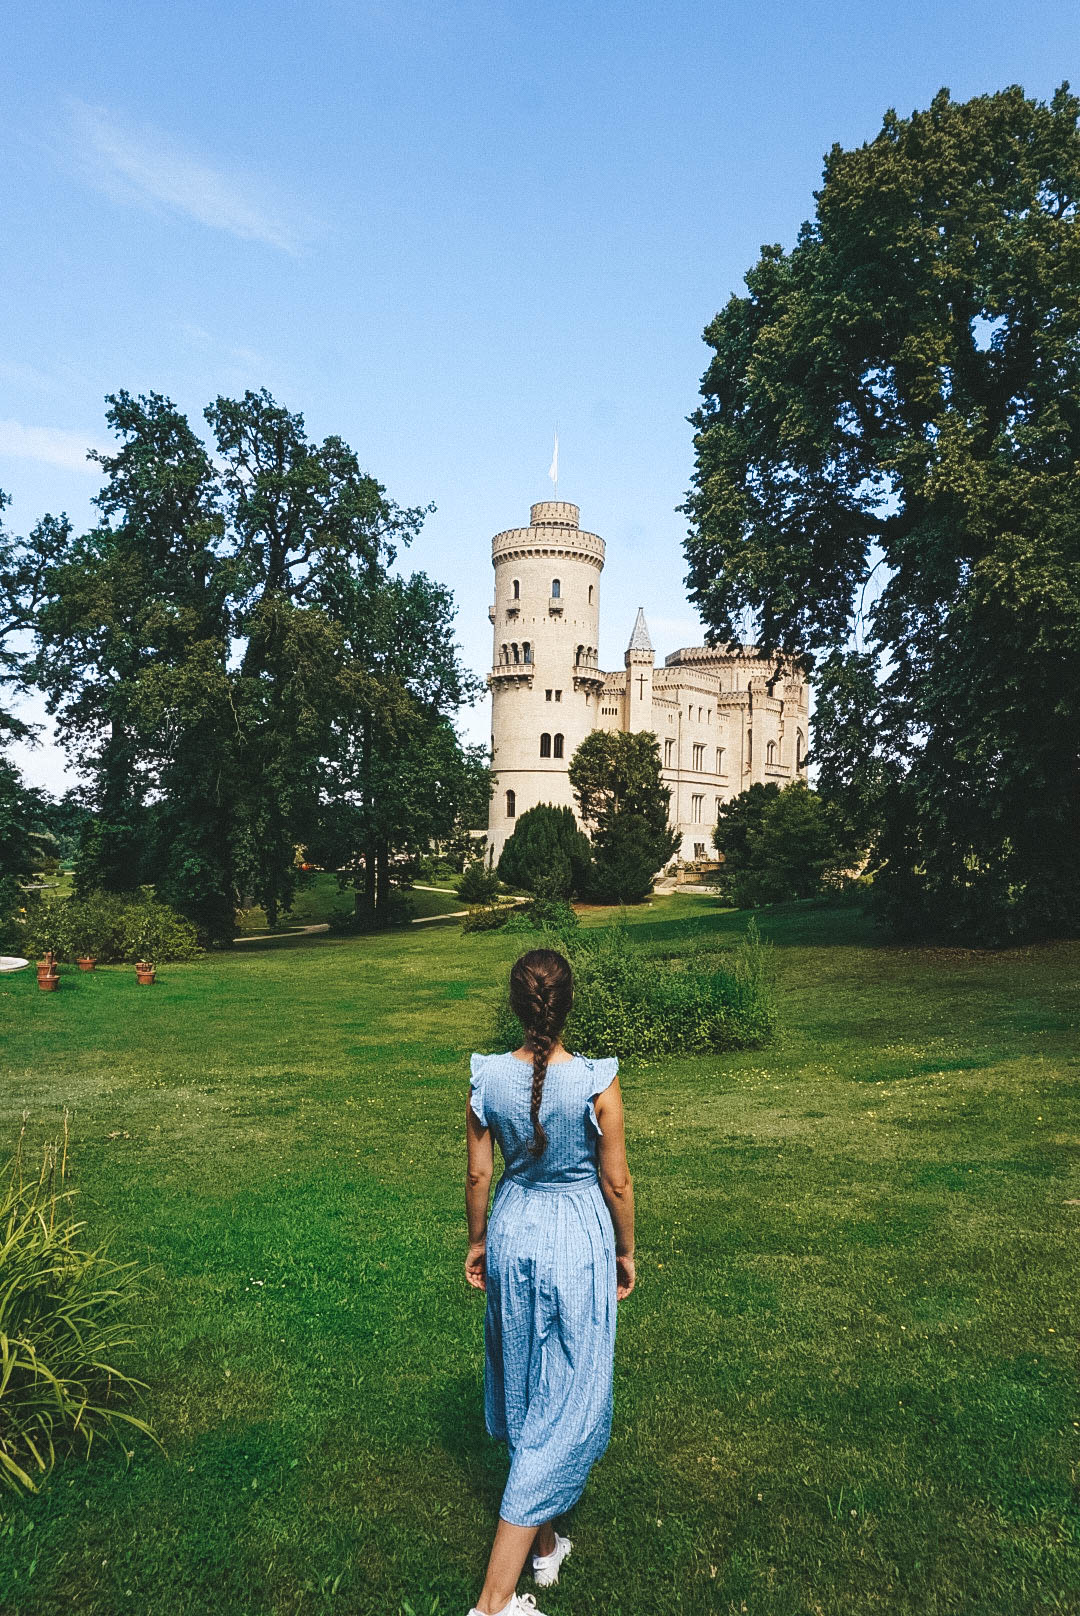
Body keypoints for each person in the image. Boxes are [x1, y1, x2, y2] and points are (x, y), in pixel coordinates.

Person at [464, 947, 636, 1616]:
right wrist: (628, 1251)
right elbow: (615, 1180)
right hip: (576, 1244)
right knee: (559, 1411)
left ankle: (544, 1548)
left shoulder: (486, 1079)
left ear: (516, 1005)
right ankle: (493, 1603)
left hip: (514, 1233)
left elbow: (480, 1175)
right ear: (567, 1005)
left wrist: (478, 1241)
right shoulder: (595, 1080)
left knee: (532, 1387)